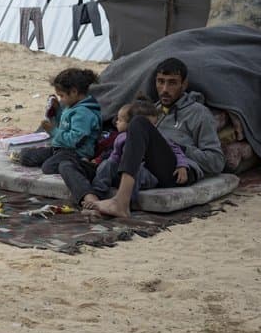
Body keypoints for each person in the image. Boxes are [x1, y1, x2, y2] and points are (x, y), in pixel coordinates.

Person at [87, 58, 225, 218]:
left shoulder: (199, 113)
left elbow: (217, 161)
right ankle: (91, 199)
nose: (165, 89)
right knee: (68, 163)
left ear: (184, 85)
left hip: (177, 171)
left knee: (138, 122)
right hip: (146, 169)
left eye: (172, 83)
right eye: (160, 82)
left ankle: (121, 203)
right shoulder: (154, 109)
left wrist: (181, 149)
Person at [81, 99, 193, 210]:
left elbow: (176, 150)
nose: (149, 129)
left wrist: (182, 165)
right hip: (123, 173)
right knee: (107, 164)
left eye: (152, 125)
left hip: (147, 174)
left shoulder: (159, 137)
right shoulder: (121, 137)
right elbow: (114, 157)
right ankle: (98, 194)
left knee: (138, 169)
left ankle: (129, 202)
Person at [18, 68, 102, 203]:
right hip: (60, 148)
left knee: (47, 167)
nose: (61, 99)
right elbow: (66, 125)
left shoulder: (84, 113)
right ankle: (56, 159)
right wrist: (57, 110)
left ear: (74, 92)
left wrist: (53, 131)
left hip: (75, 153)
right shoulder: (72, 106)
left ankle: (77, 165)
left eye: (62, 96)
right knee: (25, 155)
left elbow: (74, 140)